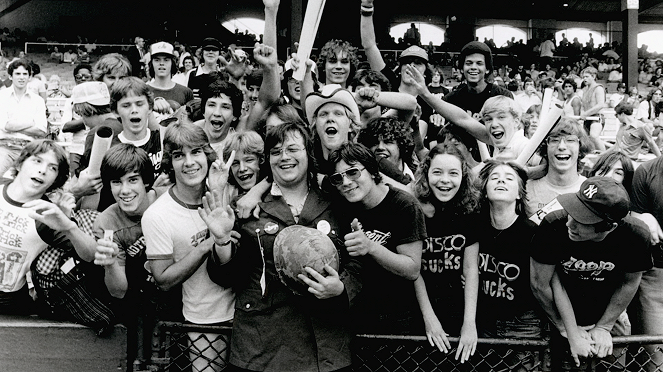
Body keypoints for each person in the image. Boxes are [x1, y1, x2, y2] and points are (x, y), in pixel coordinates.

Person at [205, 122, 362, 372]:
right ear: (268, 160)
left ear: (308, 154)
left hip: (324, 345)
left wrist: (341, 289)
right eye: (276, 152)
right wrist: (222, 240)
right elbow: (227, 276)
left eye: (292, 149)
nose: (284, 157)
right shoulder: (244, 208)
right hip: (262, 347)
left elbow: (358, 262)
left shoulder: (337, 202)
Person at [531, 177, 652, 369]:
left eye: (581, 220)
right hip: (556, 312)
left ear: (610, 226)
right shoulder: (554, 224)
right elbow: (540, 284)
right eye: (572, 211)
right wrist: (566, 328)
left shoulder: (636, 236)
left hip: (609, 310)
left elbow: (629, 283)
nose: (569, 224)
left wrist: (605, 326)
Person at [143, 122, 235, 372]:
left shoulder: (223, 188)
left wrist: (220, 190)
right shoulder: (158, 215)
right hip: (204, 320)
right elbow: (163, 279)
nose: (189, 162)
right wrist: (206, 245)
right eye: (178, 155)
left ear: (207, 154)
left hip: (247, 313)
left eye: (195, 152)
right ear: (169, 164)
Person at [327, 142, 426, 334]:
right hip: (356, 313)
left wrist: (371, 247)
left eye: (353, 172)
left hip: (399, 317)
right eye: (338, 178)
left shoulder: (404, 206)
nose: (346, 182)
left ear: (372, 171)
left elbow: (412, 268)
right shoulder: (343, 203)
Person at [0, 139, 96, 314]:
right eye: (37, 160)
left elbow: (90, 255)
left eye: (52, 168)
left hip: (8, 305)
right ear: (21, 164)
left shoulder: (47, 215)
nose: (42, 170)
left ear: (55, 180)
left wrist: (69, 226)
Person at [92, 143, 162, 368]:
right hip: (136, 305)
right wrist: (110, 263)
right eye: (116, 182)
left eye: (132, 180)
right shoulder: (107, 221)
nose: (124, 190)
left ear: (146, 181)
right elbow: (118, 291)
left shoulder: (165, 201)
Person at [412, 144, 481, 361]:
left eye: (453, 173)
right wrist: (429, 318)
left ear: (463, 175)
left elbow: (471, 269)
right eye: (437, 172)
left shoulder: (470, 210)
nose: (445, 180)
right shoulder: (413, 209)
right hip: (421, 311)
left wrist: (469, 323)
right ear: (426, 173)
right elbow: (414, 270)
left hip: (458, 310)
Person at [471, 160, 542, 366]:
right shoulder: (477, 228)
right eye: (494, 177)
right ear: (484, 191)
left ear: (519, 194)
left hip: (523, 323)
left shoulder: (532, 233)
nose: (501, 179)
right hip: (485, 322)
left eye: (509, 178)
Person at [526, 119, 592, 222]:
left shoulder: (589, 192)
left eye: (570, 140)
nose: (561, 146)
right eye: (554, 140)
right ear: (545, 148)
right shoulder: (527, 190)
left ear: (580, 148)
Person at [0, 59, 48, 177]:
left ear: (29, 77)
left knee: (35, 180)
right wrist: (31, 123)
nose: (21, 77)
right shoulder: (2, 97)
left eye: (25, 74)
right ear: (10, 77)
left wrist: (13, 126)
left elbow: (41, 130)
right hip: (5, 147)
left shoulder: (38, 100)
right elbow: (5, 126)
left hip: (29, 149)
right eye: (17, 74)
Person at [146, 41, 194, 109]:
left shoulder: (186, 92)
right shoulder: (143, 91)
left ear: (172, 63)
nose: (161, 63)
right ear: (152, 63)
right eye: (157, 60)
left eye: (166, 60)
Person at [580, 66, 606, 151]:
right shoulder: (585, 89)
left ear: (594, 76)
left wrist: (586, 113)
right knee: (586, 141)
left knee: (594, 135)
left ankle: (605, 156)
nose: (584, 79)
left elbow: (600, 104)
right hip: (587, 118)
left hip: (597, 117)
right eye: (583, 77)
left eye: (587, 76)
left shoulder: (598, 88)